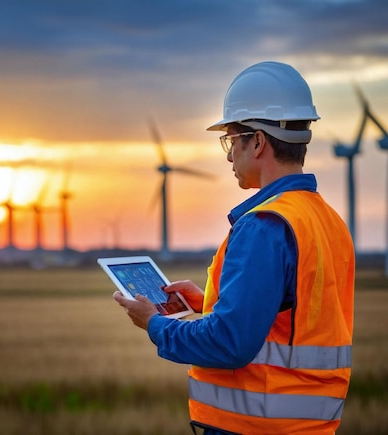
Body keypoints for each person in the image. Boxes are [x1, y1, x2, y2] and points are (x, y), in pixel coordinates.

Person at [113, 61, 355, 435]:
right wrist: (208, 300)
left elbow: (229, 344)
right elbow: (293, 319)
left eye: (231, 140)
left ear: (257, 141)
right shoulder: (326, 220)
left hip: (256, 426)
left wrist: (155, 323)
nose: (228, 156)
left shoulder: (265, 226)